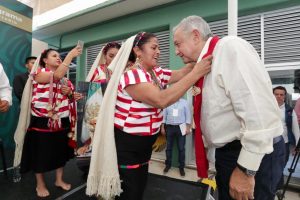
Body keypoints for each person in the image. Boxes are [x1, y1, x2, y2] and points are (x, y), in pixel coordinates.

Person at [86, 32, 212, 200]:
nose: (159, 51)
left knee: (140, 183)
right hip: (128, 144)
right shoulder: (131, 75)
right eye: (154, 47)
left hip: (144, 143)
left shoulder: (155, 73)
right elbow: (161, 99)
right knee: (130, 189)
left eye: (158, 47)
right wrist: (196, 73)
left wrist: (198, 53)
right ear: (138, 51)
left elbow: (183, 72)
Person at [173, 16, 284, 200]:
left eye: (178, 44)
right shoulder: (206, 65)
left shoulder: (229, 48)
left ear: (195, 36)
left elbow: (259, 111)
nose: (176, 51)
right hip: (229, 155)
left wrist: (246, 169)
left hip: (250, 156)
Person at [14, 47, 82, 198]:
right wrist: (70, 55)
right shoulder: (38, 73)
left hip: (62, 120)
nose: (58, 58)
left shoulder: (65, 79)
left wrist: (71, 94)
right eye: (54, 55)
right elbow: (55, 76)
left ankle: (59, 180)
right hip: (42, 121)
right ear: (44, 60)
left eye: (59, 56)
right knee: (40, 153)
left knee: (61, 152)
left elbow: (71, 98)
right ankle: (40, 184)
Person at [77, 42, 121, 156]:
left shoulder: (124, 71)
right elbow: (89, 92)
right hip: (99, 113)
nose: (114, 59)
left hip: (119, 112)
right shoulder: (98, 71)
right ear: (104, 56)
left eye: (117, 56)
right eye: (111, 56)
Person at [273, 86, 300, 193]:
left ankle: (277, 188)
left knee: (281, 166)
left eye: (281, 94)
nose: (279, 96)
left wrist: (297, 145)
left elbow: (295, 128)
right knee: (268, 166)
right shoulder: (266, 109)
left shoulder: (289, 110)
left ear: (284, 96)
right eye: (276, 94)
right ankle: (270, 186)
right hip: (268, 143)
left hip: (283, 144)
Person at [161, 98, 192, 176]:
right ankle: (168, 165)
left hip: (181, 127)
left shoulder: (184, 102)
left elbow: (188, 115)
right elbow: (164, 115)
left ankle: (181, 167)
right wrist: (162, 127)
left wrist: (188, 127)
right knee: (168, 148)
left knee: (181, 148)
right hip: (169, 128)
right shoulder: (167, 101)